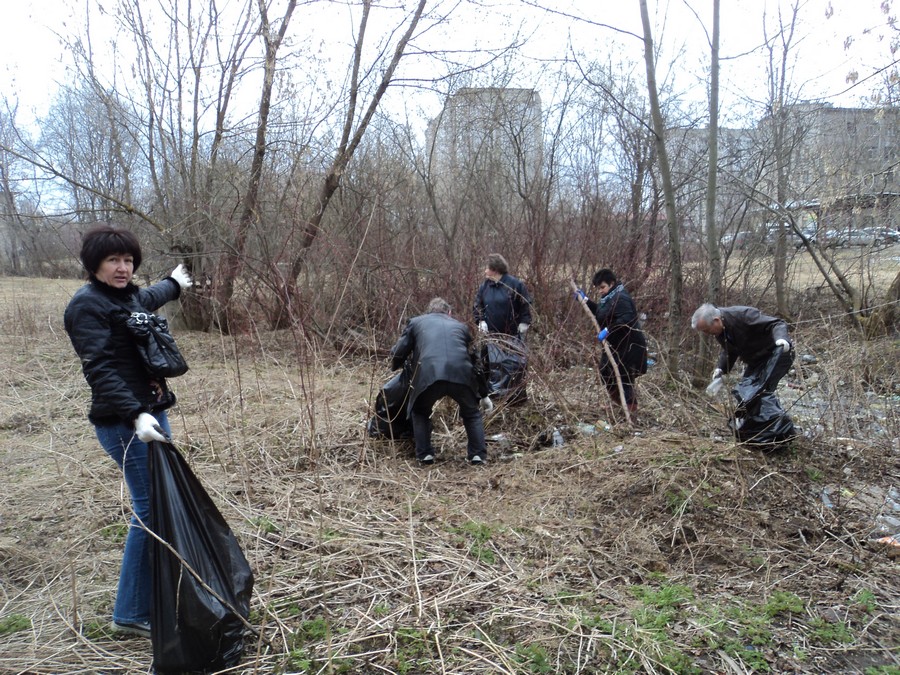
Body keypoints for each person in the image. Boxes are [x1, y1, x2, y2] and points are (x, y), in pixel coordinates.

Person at [63, 225, 192, 639]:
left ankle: (146, 598)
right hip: (124, 423)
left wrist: (173, 283)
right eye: (113, 261)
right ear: (94, 264)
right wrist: (136, 414)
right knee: (150, 509)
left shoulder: (126, 295)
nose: (123, 268)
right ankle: (131, 612)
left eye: (128, 260)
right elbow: (99, 369)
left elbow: (146, 298)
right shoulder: (86, 306)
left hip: (150, 414)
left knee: (159, 504)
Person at [390, 297, 492, 465]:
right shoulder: (462, 327)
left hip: (428, 376)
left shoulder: (416, 323)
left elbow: (399, 351)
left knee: (420, 411)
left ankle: (425, 455)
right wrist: (484, 393)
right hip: (462, 374)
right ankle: (478, 455)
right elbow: (476, 361)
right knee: (472, 413)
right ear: (449, 313)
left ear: (428, 311)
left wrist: (395, 366)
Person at [574, 269, 648, 413]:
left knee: (625, 379)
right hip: (615, 346)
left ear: (612, 283)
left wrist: (608, 330)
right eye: (598, 288)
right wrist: (586, 301)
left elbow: (626, 319)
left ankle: (631, 412)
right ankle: (619, 404)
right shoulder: (609, 298)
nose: (600, 291)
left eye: (603, 287)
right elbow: (601, 313)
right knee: (606, 373)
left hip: (628, 347)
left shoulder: (621, 298)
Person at [691, 303, 793, 397]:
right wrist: (721, 369)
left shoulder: (743, 315)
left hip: (777, 353)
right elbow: (730, 350)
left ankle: (772, 411)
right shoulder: (720, 331)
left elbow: (776, 323)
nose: (707, 333)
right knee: (744, 394)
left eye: (707, 330)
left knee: (761, 394)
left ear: (716, 320)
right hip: (756, 361)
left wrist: (781, 339)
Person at [473, 253, 532, 339]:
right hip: (490, 336)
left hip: (513, 335)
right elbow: (478, 305)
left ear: (495, 270)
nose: (485, 271)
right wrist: (481, 321)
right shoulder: (484, 286)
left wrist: (524, 322)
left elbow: (525, 304)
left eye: (487, 268)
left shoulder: (515, 285)